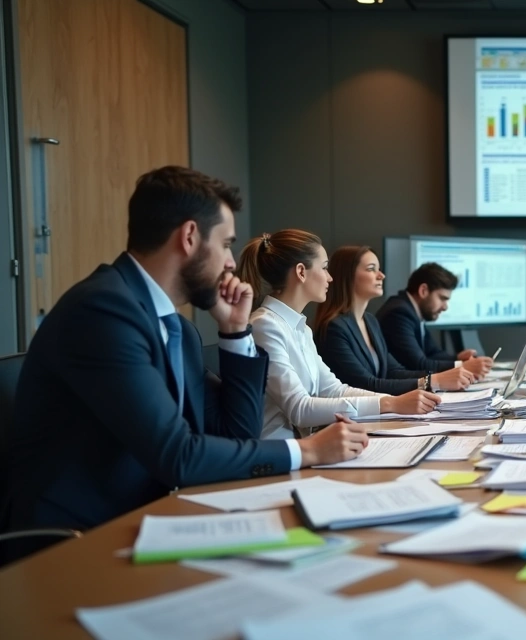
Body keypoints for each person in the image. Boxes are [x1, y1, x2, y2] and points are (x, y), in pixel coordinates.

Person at [3, 167, 369, 551]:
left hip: (152, 519)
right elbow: (177, 455)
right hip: (77, 540)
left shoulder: (178, 329)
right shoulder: (103, 312)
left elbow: (237, 432)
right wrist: (308, 450)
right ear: (190, 236)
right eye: (225, 244)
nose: (231, 262)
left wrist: (235, 332)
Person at [238, 230, 441, 439]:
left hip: (304, 444)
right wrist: (390, 403)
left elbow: (335, 390)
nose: (330, 277)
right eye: (324, 268)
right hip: (278, 450)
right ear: (301, 272)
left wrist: (393, 402)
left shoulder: (301, 329)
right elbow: (300, 409)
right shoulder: (265, 325)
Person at [314, 246, 475, 394]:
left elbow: (393, 371)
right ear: (347, 276)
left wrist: (438, 378)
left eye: (379, 269)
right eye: (371, 269)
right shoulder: (334, 328)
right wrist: (433, 381)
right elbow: (366, 385)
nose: (381, 275)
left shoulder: (370, 321)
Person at [376, 262, 493, 376]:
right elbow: (418, 365)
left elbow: (432, 353)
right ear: (423, 291)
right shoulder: (399, 313)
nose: (445, 307)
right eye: (442, 298)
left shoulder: (411, 310)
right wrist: (462, 366)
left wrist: (457, 358)